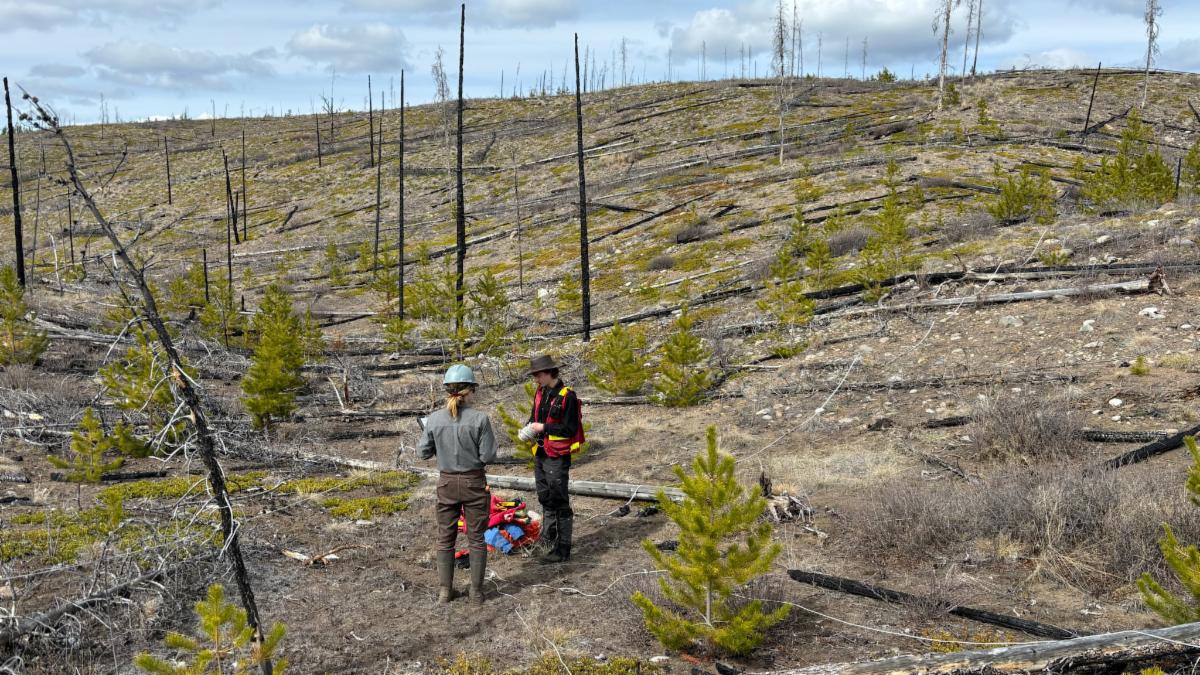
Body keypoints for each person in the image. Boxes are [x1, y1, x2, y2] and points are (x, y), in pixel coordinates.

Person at [417, 364, 497, 603]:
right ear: (470, 390)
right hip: (474, 482)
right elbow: (488, 457)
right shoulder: (480, 419)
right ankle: (476, 592)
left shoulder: (433, 419)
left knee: (445, 537)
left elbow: (423, 453)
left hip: (447, 484)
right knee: (476, 538)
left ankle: (445, 591)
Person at [524, 354, 584, 564]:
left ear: (549, 373)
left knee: (559, 500)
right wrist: (528, 428)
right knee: (545, 496)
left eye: (538, 375)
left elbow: (570, 429)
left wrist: (544, 428)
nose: (536, 379)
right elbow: (534, 418)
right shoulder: (541, 392)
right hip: (540, 453)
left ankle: (563, 548)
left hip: (557, 457)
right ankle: (548, 539)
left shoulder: (568, 396)